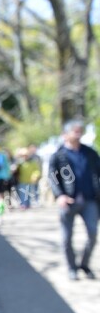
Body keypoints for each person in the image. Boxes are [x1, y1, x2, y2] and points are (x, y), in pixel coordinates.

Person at [49, 119, 100, 281]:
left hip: (89, 200)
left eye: (80, 131)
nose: (78, 134)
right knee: (66, 238)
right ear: (66, 134)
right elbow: (52, 177)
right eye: (75, 131)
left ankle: (84, 264)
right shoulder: (59, 155)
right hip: (68, 201)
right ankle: (72, 268)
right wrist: (60, 195)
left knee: (92, 234)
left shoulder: (90, 153)